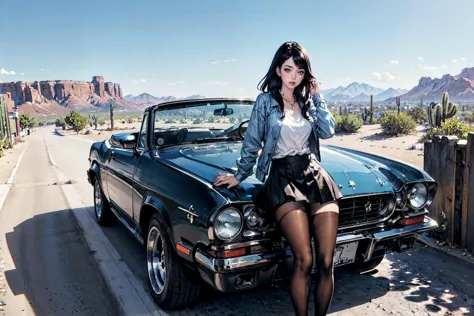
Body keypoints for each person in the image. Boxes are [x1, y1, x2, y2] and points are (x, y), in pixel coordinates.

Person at [213, 41, 342, 316]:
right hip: (283, 179)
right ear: (278, 71)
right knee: (304, 260)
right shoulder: (265, 102)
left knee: (327, 261)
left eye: (300, 70)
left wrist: (318, 96)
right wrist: (239, 175)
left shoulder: (308, 102)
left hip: (314, 176)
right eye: (288, 69)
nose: (294, 76)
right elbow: (252, 142)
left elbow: (328, 130)